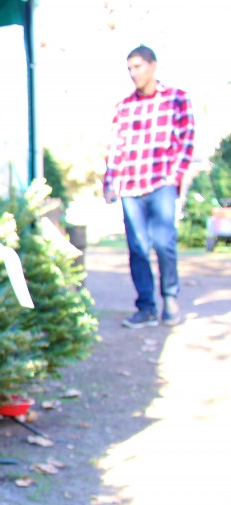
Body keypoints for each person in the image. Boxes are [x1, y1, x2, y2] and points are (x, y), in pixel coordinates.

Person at [103, 45, 195, 328]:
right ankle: (146, 307)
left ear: (153, 66)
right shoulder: (124, 107)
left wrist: (174, 177)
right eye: (129, 68)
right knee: (138, 248)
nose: (133, 73)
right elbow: (116, 148)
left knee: (164, 242)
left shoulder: (176, 99)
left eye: (138, 66)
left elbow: (187, 140)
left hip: (161, 184)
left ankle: (170, 298)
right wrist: (110, 181)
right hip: (131, 187)